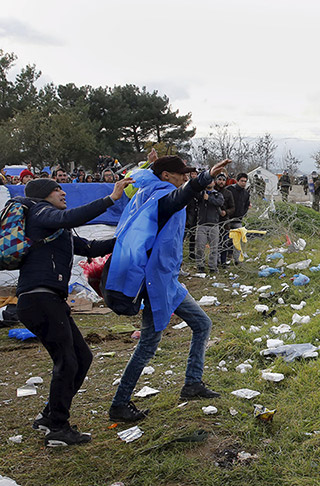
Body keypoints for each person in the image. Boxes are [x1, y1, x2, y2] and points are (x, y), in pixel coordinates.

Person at [107, 154, 232, 422]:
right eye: (181, 173)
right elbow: (182, 196)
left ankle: (192, 383)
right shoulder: (163, 198)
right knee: (148, 344)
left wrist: (148, 162)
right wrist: (205, 177)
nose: (184, 176)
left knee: (202, 324)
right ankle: (119, 403)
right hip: (156, 283)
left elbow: (140, 179)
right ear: (165, 176)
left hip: (168, 280)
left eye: (188, 173)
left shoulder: (147, 190)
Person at [18, 176, 131, 445]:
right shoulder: (39, 212)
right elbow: (69, 217)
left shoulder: (57, 229)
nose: (63, 192)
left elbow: (91, 248)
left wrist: (129, 236)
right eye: (57, 189)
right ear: (44, 194)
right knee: (67, 361)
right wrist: (111, 199)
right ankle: (58, 427)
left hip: (50, 301)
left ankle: (50, 416)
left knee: (82, 357)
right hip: (39, 299)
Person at [195, 174, 225, 272]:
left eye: (211, 181)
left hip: (214, 224)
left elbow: (220, 202)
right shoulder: (200, 194)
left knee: (214, 248)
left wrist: (209, 199)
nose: (209, 183)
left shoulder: (217, 194)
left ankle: (213, 266)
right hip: (202, 224)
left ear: (214, 183)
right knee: (200, 246)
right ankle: (200, 265)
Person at [218, 177, 235, 268]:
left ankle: (223, 262)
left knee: (224, 242)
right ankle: (215, 262)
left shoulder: (228, 193)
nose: (221, 182)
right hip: (213, 221)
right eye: (219, 179)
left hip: (225, 222)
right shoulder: (212, 192)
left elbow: (232, 207)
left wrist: (226, 212)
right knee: (215, 243)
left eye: (223, 180)